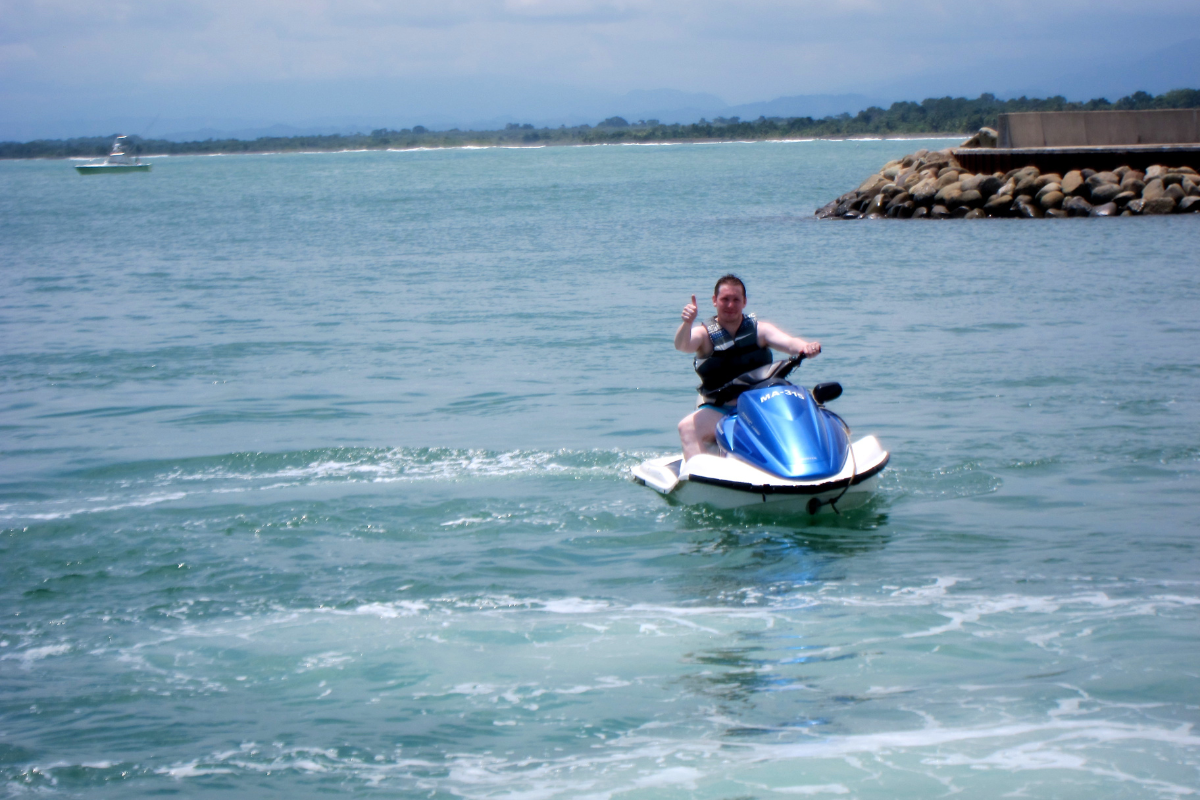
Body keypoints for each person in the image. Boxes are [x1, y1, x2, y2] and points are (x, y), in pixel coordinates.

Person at [674, 274, 822, 461]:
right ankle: (700, 479)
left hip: (762, 406)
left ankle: (813, 460)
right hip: (722, 410)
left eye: (736, 299)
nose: (730, 305)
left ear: (744, 302)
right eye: (725, 299)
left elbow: (790, 343)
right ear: (714, 301)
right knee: (686, 428)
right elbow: (682, 345)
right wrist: (687, 324)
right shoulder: (703, 335)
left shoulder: (761, 331)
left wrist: (806, 347)